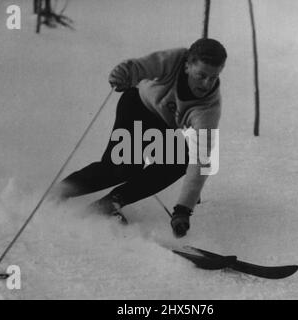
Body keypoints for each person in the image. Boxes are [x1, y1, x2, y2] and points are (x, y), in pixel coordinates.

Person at [54, 38, 227, 237]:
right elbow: (141, 66)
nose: (207, 84)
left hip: (162, 126)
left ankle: (109, 204)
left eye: (213, 77)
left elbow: (200, 161)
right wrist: (124, 73)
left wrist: (183, 210)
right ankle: (59, 192)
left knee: (181, 160)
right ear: (188, 66)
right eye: (201, 75)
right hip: (136, 107)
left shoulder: (208, 109)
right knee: (123, 167)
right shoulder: (176, 59)